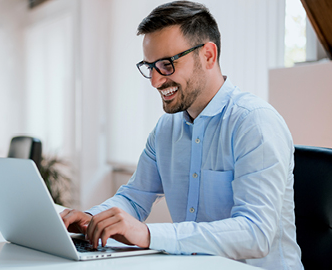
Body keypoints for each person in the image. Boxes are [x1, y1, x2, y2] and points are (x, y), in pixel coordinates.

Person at [60, 1, 303, 269]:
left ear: (208, 55)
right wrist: (91, 218)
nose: (155, 81)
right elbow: (133, 197)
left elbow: (256, 234)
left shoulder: (254, 123)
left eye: (166, 64)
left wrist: (148, 234)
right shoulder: (166, 128)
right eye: (149, 66)